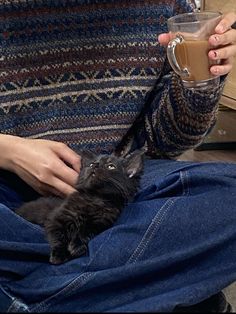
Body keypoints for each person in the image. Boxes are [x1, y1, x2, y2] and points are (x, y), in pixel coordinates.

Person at [0, 0, 235, 312]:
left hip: (115, 186)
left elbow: (164, 143)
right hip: (9, 192)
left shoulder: (166, 9)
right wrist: (7, 150)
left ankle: (31, 291)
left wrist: (200, 80)